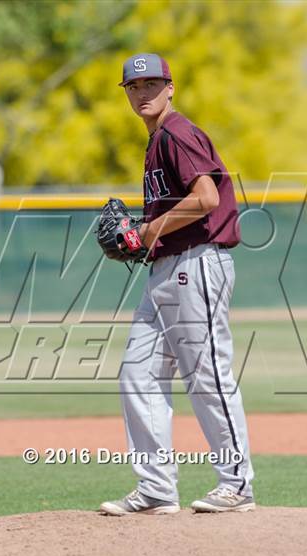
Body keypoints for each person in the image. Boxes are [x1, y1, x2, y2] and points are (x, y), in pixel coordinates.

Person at [100, 53, 254, 515]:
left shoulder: (176, 133)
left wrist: (148, 229)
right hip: (166, 269)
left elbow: (206, 198)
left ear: (171, 87)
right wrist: (146, 235)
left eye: (151, 84)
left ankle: (237, 484)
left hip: (196, 263)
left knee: (206, 376)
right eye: (134, 86)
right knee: (138, 374)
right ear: (126, 93)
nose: (143, 93)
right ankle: (156, 489)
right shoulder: (157, 141)